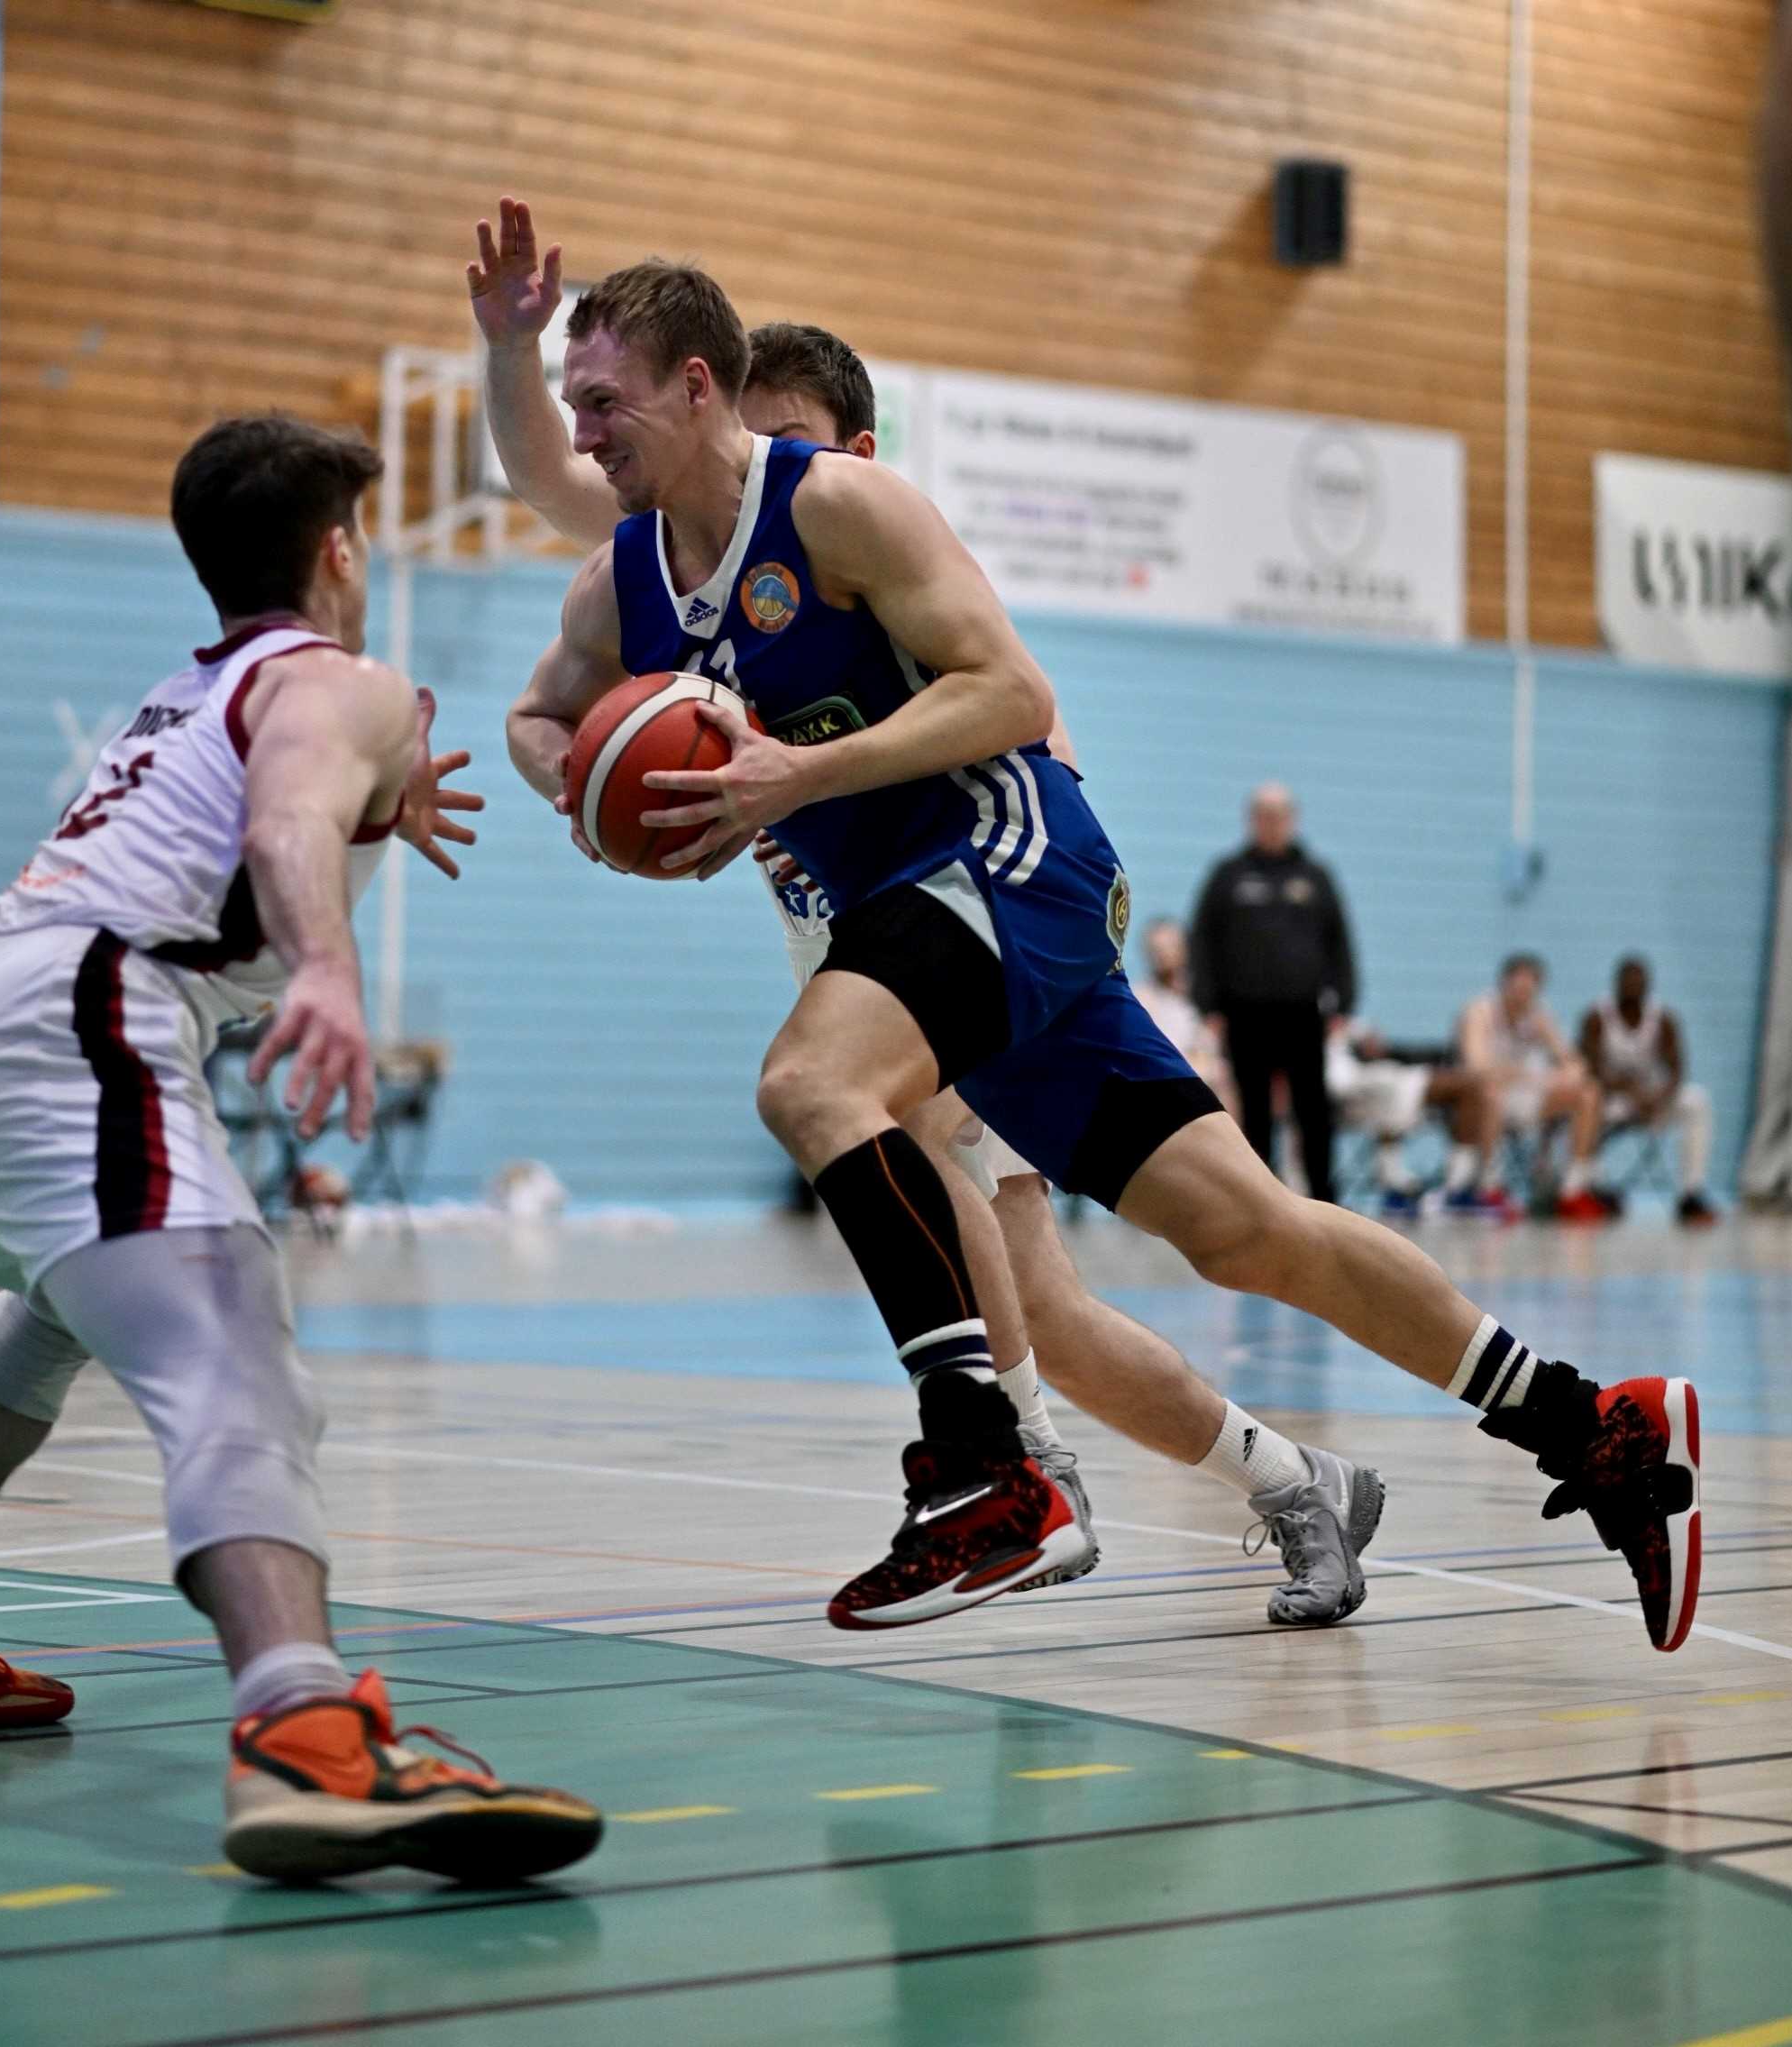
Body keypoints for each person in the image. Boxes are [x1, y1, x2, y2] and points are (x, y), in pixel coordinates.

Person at [494, 239, 1701, 1651]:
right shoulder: (622, 579)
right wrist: (591, 804)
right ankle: (1593, 1424)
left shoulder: (841, 507)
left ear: (695, 389)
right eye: (570, 402)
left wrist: (795, 779)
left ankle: (991, 1469)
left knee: (812, 1084)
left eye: (601, 399)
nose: (581, 433)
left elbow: (1012, 690)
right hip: (931, 912)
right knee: (1245, 1231)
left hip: (1005, 860)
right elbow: (537, 715)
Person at [0, 414, 603, 1884]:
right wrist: (329, 962)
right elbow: (284, 820)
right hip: (65, 1021)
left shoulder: (187, 690)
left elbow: (280, 806)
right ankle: (304, 1733)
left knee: (52, 1309)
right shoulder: (341, 677)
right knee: (232, 1348)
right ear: (340, 550)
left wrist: (363, 822)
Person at [1188, 786, 1355, 1204]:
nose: (1272, 823)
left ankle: (1324, 1197)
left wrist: (1345, 1002)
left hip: (1303, 1014)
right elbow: (1202, 942)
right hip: (1244, 1014)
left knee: (1313, 1112)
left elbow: (1339, 943)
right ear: (1252, 820)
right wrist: (1207, 1005)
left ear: (1292, 819)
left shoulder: (1315, 877)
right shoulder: (1228, 876)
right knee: (1255, 1111)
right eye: (1263, 815)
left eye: (1279, 815)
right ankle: (1261, 1200)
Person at [1459, 954, 1617, 1223]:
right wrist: (1531, 1074)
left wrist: (1560, 1073)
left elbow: (1574, 1064)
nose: (1523, 995)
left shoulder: (1539, 1015)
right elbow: (1476, 1067)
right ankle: (1490, 1187)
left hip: (1526, 1098)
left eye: (1530, 989)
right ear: (1504, 984)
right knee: (1490, 1093)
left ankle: (1573, 1189)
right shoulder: (1480, 1011)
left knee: (1588, 1092)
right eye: (1517, 987)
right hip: (1484, 1103)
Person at [1325, 1020, 1517, 1220]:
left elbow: (1363, 1038)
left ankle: (1455, 1186)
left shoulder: (1346, 1028)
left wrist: (1360, 1036)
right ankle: (1452, 1188)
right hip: (1356, 1088)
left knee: (1477, 1090)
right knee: (1472, 1086)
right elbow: (1338, 1083)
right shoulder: (1324, 1041)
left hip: (1378, 1078)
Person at [1579, 957, 1719, 1226]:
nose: (1633, 987)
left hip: (1653, 1098)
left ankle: (1691, 1193)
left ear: (1648, 986)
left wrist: (1659, 1097)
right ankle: (1594, 1188)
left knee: (1697, 1100)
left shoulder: (1663, 1019)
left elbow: (1677, 1070)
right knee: (1587, 1101)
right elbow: (1589, 1068)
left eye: (1639, 982)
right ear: (1616, 984)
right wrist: (1630, 1092)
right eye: (1628, 981)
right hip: (1613, 1099)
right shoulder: (1597, 1017)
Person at [1131, 918, 1235, 1113]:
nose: (1164, 954)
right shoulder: (1141, 999)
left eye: (1170, 946)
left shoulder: (1205, 997)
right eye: (1157, 949)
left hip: (1210, 1087)